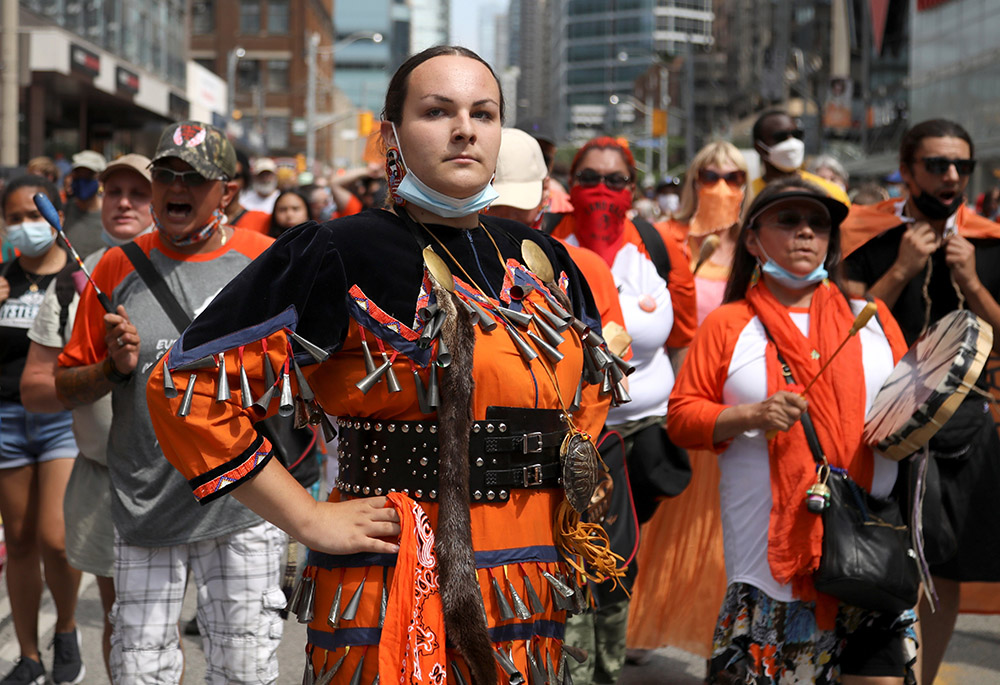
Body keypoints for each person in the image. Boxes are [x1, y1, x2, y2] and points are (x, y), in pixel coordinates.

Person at [145, 46, 618, 684]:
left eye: (484, 112)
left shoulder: (544, 259)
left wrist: (574, 477)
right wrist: (307, 516)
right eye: (436, 111)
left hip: (531, 585)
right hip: (398, 575)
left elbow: (590, 387)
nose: (464, 129)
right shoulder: (338, 250)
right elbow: (186, 389)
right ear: (389, 134)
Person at [54, 122, 284, 685]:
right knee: (139, 672)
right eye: (166, 175)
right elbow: (64, 386)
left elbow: (297, 377)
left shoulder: (266, 260)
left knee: (245, 670)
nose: (175, 187)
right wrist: (112, 368)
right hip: (145, 505)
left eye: (193, 177)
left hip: (241, 504)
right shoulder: (113, 266)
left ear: (226, 192)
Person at [669, 178, 914, 683]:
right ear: (754, 240)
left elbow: (909, 413)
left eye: (818, 223)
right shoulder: (729, 324)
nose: (805, 231)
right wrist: (750, 415)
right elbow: (682, 418)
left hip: (872, 552)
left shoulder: (872, 317)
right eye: (788, 220)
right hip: (772, 564)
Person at [842, 118, 1000, 685]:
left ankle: (926, 680)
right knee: (887, 562)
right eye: (936, 165)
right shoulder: (868, 240)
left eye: (961, 165)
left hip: (968, 430)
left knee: (949, 569)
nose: (951, 176)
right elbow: (842, 330)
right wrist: (903, 269)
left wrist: (974, 282)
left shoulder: (987, 241)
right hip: (886, 429)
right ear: (907, 172)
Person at [548, 136, 697, 684]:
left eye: (615, 180)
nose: (602, 192)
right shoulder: (545, 247)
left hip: (646, 436)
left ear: (632, 188)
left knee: (620, 559)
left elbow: (682, 335)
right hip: (576, 438)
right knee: (576, 557)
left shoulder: (657, 247)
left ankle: (605, 669)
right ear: (570, 184)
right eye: (589, 178)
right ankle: (573, 669)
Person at [20, 153, 153, 680]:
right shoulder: (75, 279)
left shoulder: (200, 273)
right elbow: (35, 389)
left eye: (138, 192)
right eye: (113, 191)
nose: (123, 202)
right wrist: (104, 370)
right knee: (129, 628)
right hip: (106, 477)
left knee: (168, 627)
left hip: (188, 480)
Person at [626, 141, 748, 662]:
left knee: (723, 528)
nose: (722, 186)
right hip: (677, 398)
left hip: (735, 403)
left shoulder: (755, 244)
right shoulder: (668, 241)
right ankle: (635, 622)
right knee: (660, 519)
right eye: (711, 174)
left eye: (735, 177)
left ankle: (718, 635)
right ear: (693, 179)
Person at [0, 176, 83, 685]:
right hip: (6, 421)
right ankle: (29, 656)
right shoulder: (2, 277)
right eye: (15, 217)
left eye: (36, 215)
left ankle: (68, 629)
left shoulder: (79, 279)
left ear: (58, 217)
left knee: (56, 539)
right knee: (21, 540)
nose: (27, 226)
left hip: (62, 421)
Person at [751, 110, 850, 206]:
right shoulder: (747, 196)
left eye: (797, 134)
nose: (792, 142)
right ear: (760, 149)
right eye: (780, 137)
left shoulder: (832, 194)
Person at [62, 150, 107, 258]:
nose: (82, 182)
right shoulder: (64, 212)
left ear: (100, 180)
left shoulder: (110, 214)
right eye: (77, 175)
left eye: (88, 176)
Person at [226, 149, 272, 235]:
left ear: (245, 181)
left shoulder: (262, 220)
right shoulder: (200, 221)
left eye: (235, 176)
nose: (228, 183)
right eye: (223, 176)